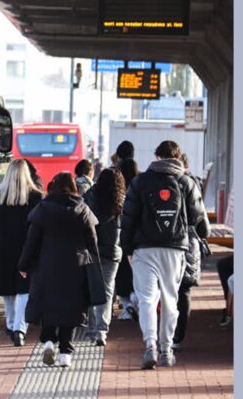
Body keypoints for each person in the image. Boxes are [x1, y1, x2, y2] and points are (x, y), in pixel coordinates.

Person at [121, 140, 209, 369]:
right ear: (178, 157)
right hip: (175, 249)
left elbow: (128, 219)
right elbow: (200, 220)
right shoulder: (186, 181)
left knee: (147, 299)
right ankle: (167, 350)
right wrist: (202, 234)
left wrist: (127, 249)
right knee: (171, 298)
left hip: (144, 249)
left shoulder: (139, 182)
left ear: (156, 156)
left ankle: (150, 345)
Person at [18, 173, 100, 367]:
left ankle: (48, 342)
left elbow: (32, 241)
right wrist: (94, 262)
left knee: (48, 306)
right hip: (75, 267)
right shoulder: (82, 209)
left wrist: (24, 265)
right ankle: (65, 353)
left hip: (46, 266)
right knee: (70, 310)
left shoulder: (43, 209)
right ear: (74, 188)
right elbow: (92, 241)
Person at [0, 159, 43, 346]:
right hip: (27, 248)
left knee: (8, 290)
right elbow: (39, 224)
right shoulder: (35, 197)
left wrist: (1, 234)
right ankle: (20, 327)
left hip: (4, 249)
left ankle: (10, 325)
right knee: (25, 289)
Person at [83, 168, 125, 346]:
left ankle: (92, 328)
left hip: (91, 249)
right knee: (107, 291)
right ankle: (101, 330)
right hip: (112, 250)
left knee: (91, 288)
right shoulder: (121, 200)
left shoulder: (90, 196)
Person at [172, 154, 210, 349]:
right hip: (188, 241)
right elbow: (202, 222)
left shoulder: (154, 181)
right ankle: (178, 336)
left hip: (164, 242)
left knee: (165, 289)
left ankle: (164, 334)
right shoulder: (192, 183)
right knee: (184, 289)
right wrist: (203, 233)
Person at [114, 146, 140, 321]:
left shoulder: (117, 190)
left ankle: (126, 305)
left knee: (122, 270)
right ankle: (135, 300)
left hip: (119, 236)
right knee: (138, 270)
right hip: (139, 237)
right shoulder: (140, 186)